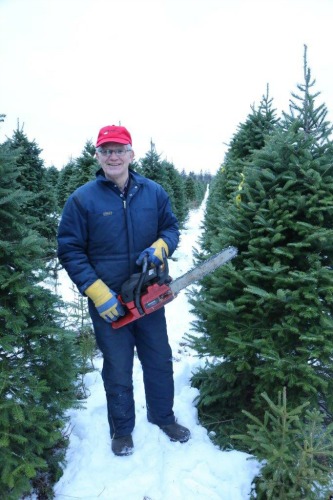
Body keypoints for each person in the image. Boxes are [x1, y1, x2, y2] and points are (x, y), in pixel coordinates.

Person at [57, 125, 191, 456]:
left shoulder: (154, 192)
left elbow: (171, 228)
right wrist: (98, 293)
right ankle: (122, 429)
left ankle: (163, 417)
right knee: (117, 366)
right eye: (107, 150)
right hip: (110, 301)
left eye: (120, 150)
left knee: (159, 360)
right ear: (98, 156)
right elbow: (70, 249)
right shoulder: (82, 199)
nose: (113, 156)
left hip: (147, 294)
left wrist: (161, 247)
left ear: (132, 154)